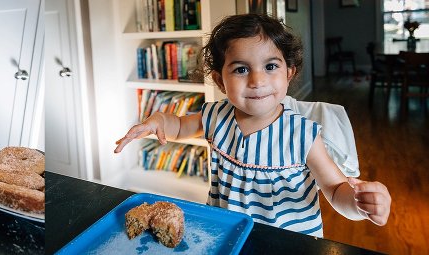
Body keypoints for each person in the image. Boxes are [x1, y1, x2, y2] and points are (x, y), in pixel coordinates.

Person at [114, 14, 390, 237]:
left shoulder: (302, 134)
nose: (257, 80)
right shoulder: (215, 116)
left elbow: (334, 188)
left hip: (288, 241)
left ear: (288, 73)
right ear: (220, 80)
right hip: (226, 232)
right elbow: (176, 125)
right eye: (241, 69)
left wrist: (358, 204)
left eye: (270, 66)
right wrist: (156, 121)